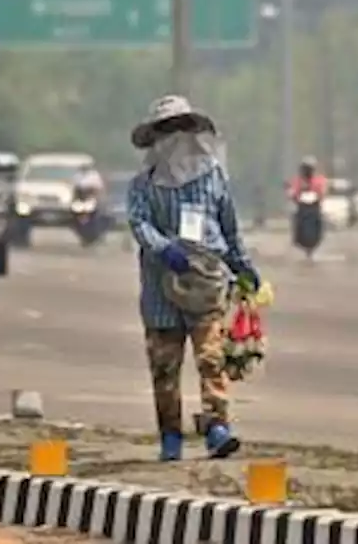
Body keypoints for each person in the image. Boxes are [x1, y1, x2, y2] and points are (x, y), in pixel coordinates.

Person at [125, 95, 260, 462]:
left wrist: (244, 267)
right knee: (165, 366)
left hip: (206, 283)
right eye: (167, 131)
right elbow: (138, 223)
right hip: (160, 287)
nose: (176, 138)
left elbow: (228, 226)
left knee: (211, 358)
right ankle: (171, 435)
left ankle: (217, 427)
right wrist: (163, 248)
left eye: (182, 129)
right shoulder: (143, 185)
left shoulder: (213, 176)